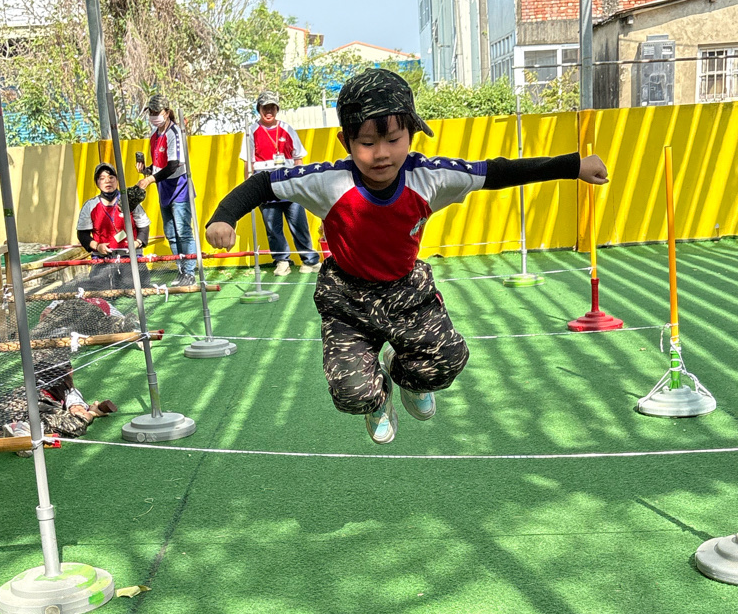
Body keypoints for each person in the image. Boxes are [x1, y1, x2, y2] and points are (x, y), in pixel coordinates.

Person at [206, 68, 608, 445]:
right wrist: (224, 216)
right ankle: (376, 400)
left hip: (406, 293)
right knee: (350, 392)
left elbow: (497, 172)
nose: (381, 153)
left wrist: (573, 165)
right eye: (367, 143)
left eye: (394, 139)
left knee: (447, 360)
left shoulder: (429, 177)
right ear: (346, 142)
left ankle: (410, 379)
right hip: (346, 299)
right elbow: (263, 182)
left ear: (412, 134)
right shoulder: (328, 182)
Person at [241, 91, 321, 278]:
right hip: (266, 186)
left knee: (299, 223)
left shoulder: (287, 128)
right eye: (265, 107)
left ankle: (310, 260)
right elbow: (247, 162)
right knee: (272, 227)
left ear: (277, 109)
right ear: (259, 109)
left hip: (290, 185)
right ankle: (282, 261)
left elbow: (298, 157)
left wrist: (301, 182)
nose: (269, 111)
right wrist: (248, 188)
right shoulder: (251, 131)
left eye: (272, 107)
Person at [136, 94, 196, 287]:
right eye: (151, 112)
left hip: (180, 188)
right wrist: (145, 170)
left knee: (183, 231)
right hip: (164, 189)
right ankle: (181, 270)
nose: (154, 116)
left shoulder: (174, 133)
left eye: (157, 112)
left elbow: (172, 165)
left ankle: (190, 273)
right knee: (170, 233)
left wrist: (149, 179)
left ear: (167, 112)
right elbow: (159, 167)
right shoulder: (155, 136)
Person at [76, 163, 151, 291]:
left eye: (111, 177)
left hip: (130, 257)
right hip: (103, 259)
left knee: (135, 286)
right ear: (97, 183)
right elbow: (82, 235)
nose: (107, 181)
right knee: (101, 289)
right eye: (102, 178)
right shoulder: (90, 205)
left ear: (117, 180)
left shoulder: (129, 201)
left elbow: (144, 227)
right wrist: (97, 247)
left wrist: (137, 243)